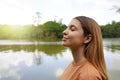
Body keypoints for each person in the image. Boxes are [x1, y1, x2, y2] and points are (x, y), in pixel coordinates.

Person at [59, 16, 108, 80]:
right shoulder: (74, 63)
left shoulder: (88, 76)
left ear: (87, 38)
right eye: (67, 28)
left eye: (72, 29)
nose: (64, 32)